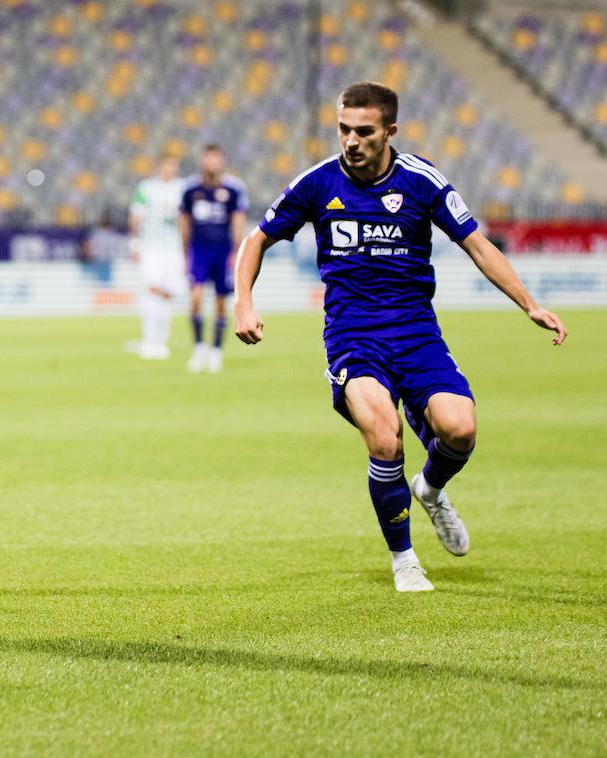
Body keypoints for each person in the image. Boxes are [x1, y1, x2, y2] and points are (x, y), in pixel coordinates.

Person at [233, 82, 567, 592]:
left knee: (460, 430)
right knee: (385, 436)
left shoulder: (420, 180)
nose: (351, 141)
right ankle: (405, 558)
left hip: (416, 332)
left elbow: (477, 245)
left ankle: (430, 489)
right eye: (344, 129)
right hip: (353, 336)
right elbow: (257, 239)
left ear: (389, 131)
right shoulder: (318, 184)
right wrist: (243, 302)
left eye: (363, 131)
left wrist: (530, 304)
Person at [180, 144, 247, 373]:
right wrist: (185, 254)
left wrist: (236, 252)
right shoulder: (191, 190)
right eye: (207, 158)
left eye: (215, 159)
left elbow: (238, 221)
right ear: (202, 161)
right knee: (196, 298)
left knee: (221, 303)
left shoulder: (233, 189)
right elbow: (184, 222)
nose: (211, 163)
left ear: (221, 161)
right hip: (199, 251)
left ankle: (216, 351)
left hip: (222, 250)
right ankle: (199, 348)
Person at [129, 153, 185, 360]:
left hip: (175, 248)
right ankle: (148, 341)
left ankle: (161, 342)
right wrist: (134, 243)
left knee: (169, 294)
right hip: (151, 247)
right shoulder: (145, 188)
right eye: (166, 166)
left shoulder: (184, 188)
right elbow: (136, 217)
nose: (169, 170)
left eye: (173, 166)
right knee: (153, 291)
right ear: (159, 167)